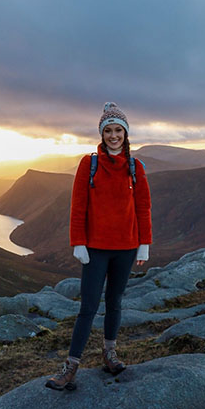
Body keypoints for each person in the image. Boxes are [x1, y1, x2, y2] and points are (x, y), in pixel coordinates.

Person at [45, 102, 152, 391]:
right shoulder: (88, 164)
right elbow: (78, 206)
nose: (114, 135)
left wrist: (144, 244)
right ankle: (71, 367)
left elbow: (143, 207)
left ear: (126, 133)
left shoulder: (135, 166)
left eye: (118, 130)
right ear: (101, 134)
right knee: (88, 307)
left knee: (114, 303)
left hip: (127, 247)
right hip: (96, 248)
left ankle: (109, 354)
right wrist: (78, 242)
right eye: (108, 130)